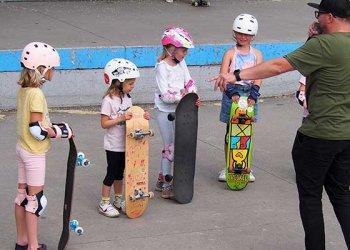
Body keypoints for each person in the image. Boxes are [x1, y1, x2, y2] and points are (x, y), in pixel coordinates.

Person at [210, 0, 350, 248]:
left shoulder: (324, 44)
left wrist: (237, 75)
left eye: (319, 14)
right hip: (346, 136)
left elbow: (278, 66)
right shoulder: (325, 43)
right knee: (341, 195)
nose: (317, 19)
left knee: (310, 197)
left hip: (318, 135)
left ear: (329, 17)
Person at [15, 42, 73, 250]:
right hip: (33, 152)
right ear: (42, 68)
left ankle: (22, 242)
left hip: (22, 148)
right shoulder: (37, 94)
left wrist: (53, 126)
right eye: (52, 68)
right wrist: (61, 132)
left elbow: (35, 124)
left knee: (22, 196)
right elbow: (37, 131)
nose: (54, 72)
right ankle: (33, 246)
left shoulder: (24, 90)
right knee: (36, 201)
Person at [99, 58, 150, 217]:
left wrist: (142, 116)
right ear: (118, 83)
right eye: (130, 84)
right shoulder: (108, 100)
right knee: (112, 172)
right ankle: (104, 202)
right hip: (113, 145)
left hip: (127, 143)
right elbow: (104, 123)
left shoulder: (127, 98)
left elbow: (132, 117)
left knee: (120, 173)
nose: (132, 86)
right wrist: (121, 118)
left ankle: (118, 199)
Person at [154, 26, 200, 198]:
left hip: (181, 111)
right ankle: (167, 185)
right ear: (171, 49)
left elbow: (189, 82)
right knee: (170, 148)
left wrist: (193, 95)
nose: (185, 53)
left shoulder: (182, 64)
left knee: (177, 146)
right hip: (165, 111)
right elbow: (165, 95)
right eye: (183, 50)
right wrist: (183, 96)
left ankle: (160, 179)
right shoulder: (162, 68)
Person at [217, 13, 263, 183]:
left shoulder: (257, 54)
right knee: (231, 132)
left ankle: (244, 164)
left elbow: (259, 74)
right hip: (233, 94)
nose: (244, 37)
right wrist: (231, 92)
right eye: (240, 33)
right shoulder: (230, 53)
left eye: (248, 34)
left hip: (250, 93)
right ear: (234, 33)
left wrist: (254, 93)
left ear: (253, 35)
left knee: (246, 132)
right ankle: (228, 165)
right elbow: (223, 75)